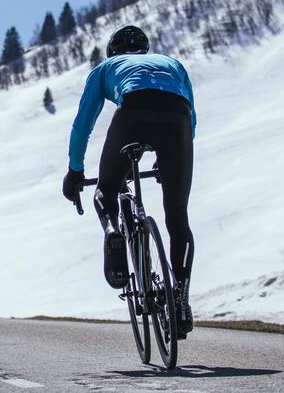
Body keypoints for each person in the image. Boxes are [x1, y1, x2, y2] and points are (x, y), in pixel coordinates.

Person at [62, 25, 197, 338]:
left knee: (106, 190)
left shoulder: (106, 68)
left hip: (132, 112)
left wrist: (75, 171)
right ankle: (180, 300)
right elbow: (191, 118)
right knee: (178, 219)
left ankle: (113, 234)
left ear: (113, 53)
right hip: (177, 120)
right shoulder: (173, 64)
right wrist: (167, 159)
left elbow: (83, 125)